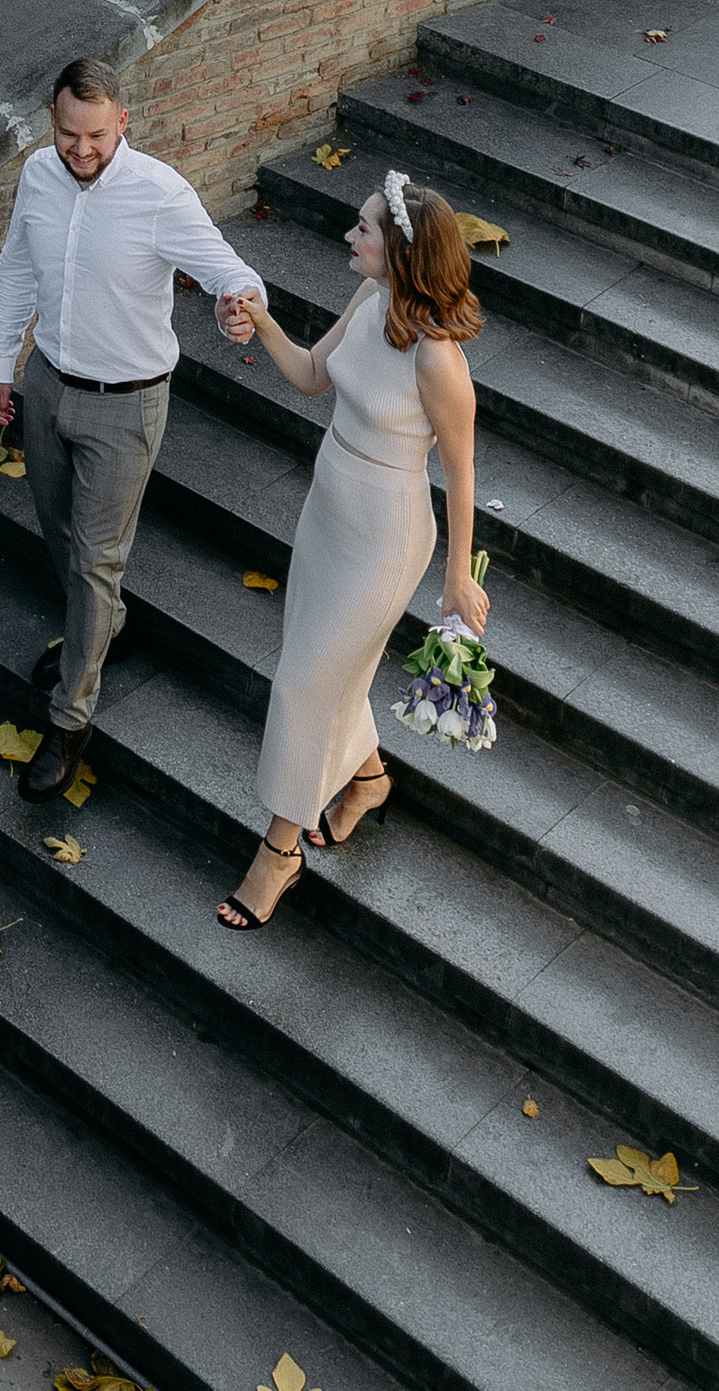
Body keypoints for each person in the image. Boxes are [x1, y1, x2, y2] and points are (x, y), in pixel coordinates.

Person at [0, 59, 267, 805]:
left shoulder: (160, 195)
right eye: (68, 133)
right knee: (58, 535)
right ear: (51, 121)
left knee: (92, 560)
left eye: (97, 136)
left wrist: (238, 305)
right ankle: (105, 625)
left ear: (124, 123)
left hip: (126, 405)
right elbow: (16, 270)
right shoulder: (39, 177)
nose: (81, 150)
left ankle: (69, 718)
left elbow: (229, 273)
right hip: (46, 384)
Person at [216, 167, 488, 928]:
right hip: (329, 508)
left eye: (364, 227)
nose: (349, 234)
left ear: (400, 251)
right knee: (325, 670)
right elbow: (310, 375)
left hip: (387, 533)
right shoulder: (372, 298)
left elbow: (462, 470)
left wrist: (458, 577)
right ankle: (366, 779)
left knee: (305, 684)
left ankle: (279, 853)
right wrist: (261, 319)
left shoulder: (438, 359)